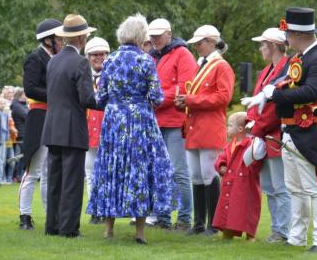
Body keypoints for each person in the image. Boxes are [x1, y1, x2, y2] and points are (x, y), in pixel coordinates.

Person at [244, 7, 317, 252]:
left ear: (298, 34)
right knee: (295, 189)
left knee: (315, 188)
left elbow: (311, 92)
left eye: (287, 33)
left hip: (310, 130)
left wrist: (275, 94)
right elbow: (287, 83)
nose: (286, 39)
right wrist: (267, 93)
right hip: (289, 130)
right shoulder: (299, 58)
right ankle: (297, 236)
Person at [86, 13, 177, 244]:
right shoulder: (146, 61)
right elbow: (157, 97)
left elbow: (101, 97)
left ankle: (108, 229)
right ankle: (139, 233)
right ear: (140, 36)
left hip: (114, 121)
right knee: (140, 170)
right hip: (139, 121)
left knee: (111, 168)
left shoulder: (110, 61)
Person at [175, 24, 235, 236]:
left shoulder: (222, 66)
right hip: (194, 127)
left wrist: (190, 99)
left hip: (209, 127)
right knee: (196, 176)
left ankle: (213, 224)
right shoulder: (202, 64)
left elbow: (223, 97)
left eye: (200, 43)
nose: (197, 47)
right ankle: (198, 222)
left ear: (211, 42)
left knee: (209, 175)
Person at [42, 14, 98, 238]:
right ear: (82, 37)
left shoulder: (53, 61)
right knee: (72, 181)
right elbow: (86, 98)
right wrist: (107, 99)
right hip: (73, 127)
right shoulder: (81, 62)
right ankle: (69, 228)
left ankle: (52, 226)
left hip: (53, 126)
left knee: (54, 179)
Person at [243, 27, 292, 243]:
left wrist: (256, 127)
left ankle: (283, 232)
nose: (261, 48)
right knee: (270, 187)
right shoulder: (266, 71)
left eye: (263, 44)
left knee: (280, 187)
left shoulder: (288, 68)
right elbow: (256, 100)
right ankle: (277, 229)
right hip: (262, 134)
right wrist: (251, 122)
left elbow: (275, 108)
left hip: (275, 135)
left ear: (273, 45)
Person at [148, 18, 198, 230]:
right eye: (152, 35)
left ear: (169, 34)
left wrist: (155, 98)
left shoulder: (183, 54)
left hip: (175, 121)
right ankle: (163, 217)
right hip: (156, 122)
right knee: (160, 171)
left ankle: (185, 218)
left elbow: (184, 89)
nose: (155, 39)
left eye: (159, 35)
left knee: (178, 171)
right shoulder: (150, 56)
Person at [18, 18, 63, 230]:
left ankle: (50, 215)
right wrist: (56, 95)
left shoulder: (57, 59)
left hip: (54, 117)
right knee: (33, 171)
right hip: (39, 117)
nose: (63, 41)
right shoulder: (35, 59)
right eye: (59, 37)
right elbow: (30, 88)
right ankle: (25, 216)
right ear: (48, 40)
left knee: (49, 172)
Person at [213, 112, 264, 241]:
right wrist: (221, 165)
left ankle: (250, 236)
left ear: (240, 129)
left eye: (229, 126)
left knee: (248, 208)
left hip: (246, 183)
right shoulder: (230, 144)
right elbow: (221, 157)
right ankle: (227, 231)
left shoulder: (251, 144)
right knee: (229, 207)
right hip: (230, 183)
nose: (227, 129)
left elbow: (256, 161)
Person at [83, 36, 110, 225]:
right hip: (87, 128)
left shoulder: (113, 73)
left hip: (107, 127)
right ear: (88, 56)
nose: (99, 58)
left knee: (107, 171)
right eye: (94, 55)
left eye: (102, 54)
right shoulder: (83, 75)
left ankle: (107, 208)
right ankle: (95, 210)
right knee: (90, 172)